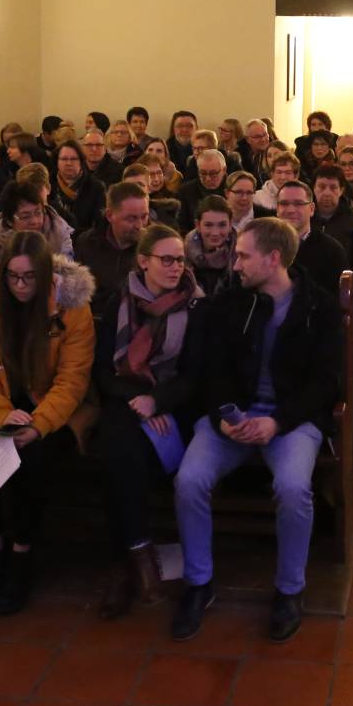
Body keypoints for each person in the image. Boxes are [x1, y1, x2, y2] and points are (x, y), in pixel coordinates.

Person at [171, 218, 342, 644]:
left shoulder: (318, 307)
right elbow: (212, 371)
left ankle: (289, 589)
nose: (236, 263)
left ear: (274, 258)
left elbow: (326, 383)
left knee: (292, 488)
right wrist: (227, 415)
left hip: (289, 421)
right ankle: (198, 582)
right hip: (233, 419)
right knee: (189, 480)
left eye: (244, 255)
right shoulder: (230, 303)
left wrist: (277, 421)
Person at [0, 231, 97, 616]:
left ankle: (21, 558)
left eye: (29, 277)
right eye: (13, 277)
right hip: (2, 406)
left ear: (46, 274)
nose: (20, 286)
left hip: (52, 412)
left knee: (29, 462)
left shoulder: (72, 309)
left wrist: (37, 424)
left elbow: (72, 381)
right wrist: (1, 414)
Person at [95, 223, 205, 617]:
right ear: (143, 262)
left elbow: (195, 375)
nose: (177, 267)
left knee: (123, 456)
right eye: (167, 260)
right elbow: (105, 373)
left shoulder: (195, 305)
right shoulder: (118, 303)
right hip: (127, 400)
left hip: (175, 403)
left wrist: (157, 400)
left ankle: (124, 564)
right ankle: (137, 557)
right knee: (118, 449)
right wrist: (138, 399)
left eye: (180, 259)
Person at [75, 181, 153, 320]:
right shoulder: (87, 243)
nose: (140, 225)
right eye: (131, 218)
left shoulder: (153, 247)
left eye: (144, 216)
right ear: (110, 215)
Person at [0, 180, 75, 271]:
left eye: (38, 213)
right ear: (9, 220)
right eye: (25, 216)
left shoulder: (60, 233)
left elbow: (67, 278)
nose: (35, 221)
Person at [274, 179, 348, 294]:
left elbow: (334, 302)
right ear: (277, 209)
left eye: (298, 203)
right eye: (284, 203)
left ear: (312, 209)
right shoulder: (265, 245)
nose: (290, 210)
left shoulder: (332, 251)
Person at [310, 164, 353, 261]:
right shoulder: (305, 218)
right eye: (321, 187)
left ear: (341, 190)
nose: (327, 193)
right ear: (314, 189)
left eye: (333, 187)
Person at [185, 196, 237, 295]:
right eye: (208, 225)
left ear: (230, 225)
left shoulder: (240, 253)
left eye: (222, 225)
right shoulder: (183, 252)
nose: (215, 233)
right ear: (198, 225)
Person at [51, 138, 106, 231]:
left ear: (81, 161)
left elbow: (98, 224)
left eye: (73, 159)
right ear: (57, 162)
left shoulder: (96, 187)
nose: (68, 163)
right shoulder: (48, 185)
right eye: (64, 159)